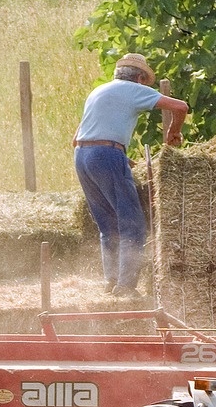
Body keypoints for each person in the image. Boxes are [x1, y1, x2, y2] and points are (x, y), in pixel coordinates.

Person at [73, 53, 189, 299]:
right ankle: (126, 287)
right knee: (133, 224)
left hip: (82, 157)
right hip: (105, 154)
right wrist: (172, 131)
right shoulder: (133, 89)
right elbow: (181, 107)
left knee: (108, 224)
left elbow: (78, 138)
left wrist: (120, 157)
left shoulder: (98, 91)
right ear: (139, 78)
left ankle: (111, 280)